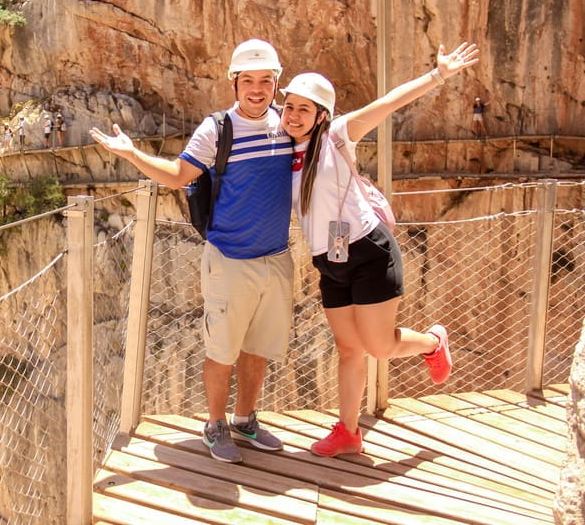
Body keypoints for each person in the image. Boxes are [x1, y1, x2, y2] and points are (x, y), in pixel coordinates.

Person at [90, 39, 294, 463]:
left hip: (276, 257)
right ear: (234, 83)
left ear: (277, 84)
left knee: (257, 349)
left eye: (266, 81)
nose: (257, 89)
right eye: (248, 81)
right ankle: (215, 424)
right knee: (222, 350)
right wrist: (132, 154)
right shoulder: (218, 129)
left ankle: (245, 420)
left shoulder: (286, 125)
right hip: (230, 259)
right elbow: (178, 174)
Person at [279, 42, 478, 458]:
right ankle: (348, 432)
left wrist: (437, 75)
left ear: (322, 115)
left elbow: (387, 104)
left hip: (368, 251)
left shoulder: (336, 135)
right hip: (329, 260)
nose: (293, 115)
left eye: (303, 108)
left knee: (379, 347)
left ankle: (432, 343)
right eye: (289, 107)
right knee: (349, 349)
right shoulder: (283, 150)